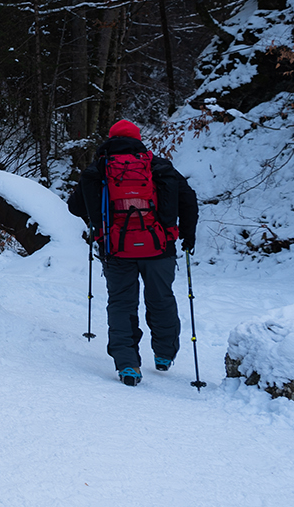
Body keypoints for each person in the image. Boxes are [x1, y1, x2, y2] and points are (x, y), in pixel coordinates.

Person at [67, 119, 199, 386]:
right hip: (159, 247)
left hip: (116, 249)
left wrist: (99, 215)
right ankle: (164, 354)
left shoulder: (98, 170)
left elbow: (75, 207)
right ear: (138, 139)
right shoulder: (159, 166)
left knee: (121, 303)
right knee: (161, 298)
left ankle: (127, 364)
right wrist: (187, 233)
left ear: (110, 139)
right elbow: (188, 199)